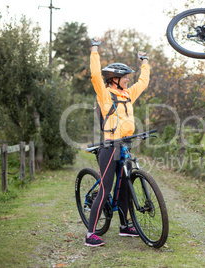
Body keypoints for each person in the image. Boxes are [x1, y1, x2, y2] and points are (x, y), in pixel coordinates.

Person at [85, 37, 150, 247]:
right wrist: (94, 49)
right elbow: (95, 74)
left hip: (125, 145)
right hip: (110, 146)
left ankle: (124, 226)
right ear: (114, 78)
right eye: (125, 78)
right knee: (106, 188)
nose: (128, 80)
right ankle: (90, 234)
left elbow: (144, 82)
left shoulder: (128, 95)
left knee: (124, 186)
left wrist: (145, 62)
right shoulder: (105, 95)